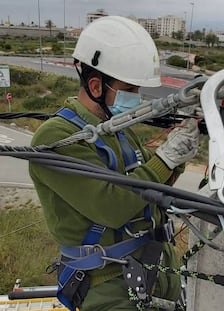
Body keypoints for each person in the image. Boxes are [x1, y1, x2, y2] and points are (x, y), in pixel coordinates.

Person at [29, 16, 199, 311]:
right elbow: (112, 208)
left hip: (151, 270)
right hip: (109, 285)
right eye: (130, 90)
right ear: (96, 85)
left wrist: (176, 156)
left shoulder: (116, 129)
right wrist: (165, 159)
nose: (137, 98)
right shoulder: (57, 138)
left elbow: (153, 181)